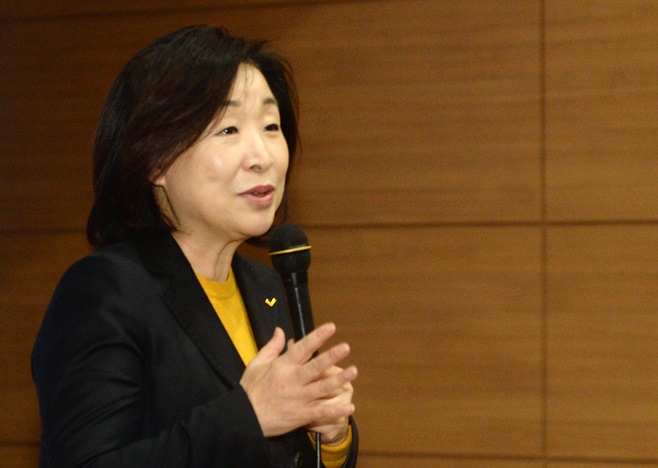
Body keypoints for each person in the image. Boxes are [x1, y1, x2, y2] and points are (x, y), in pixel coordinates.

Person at [31, 25, 358, 467]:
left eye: (271, 126)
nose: (262, 156)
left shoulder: (265, 286)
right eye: (228, 130)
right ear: (155, 158)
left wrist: (333, 438)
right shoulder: (106, 292)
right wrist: (249, 416)